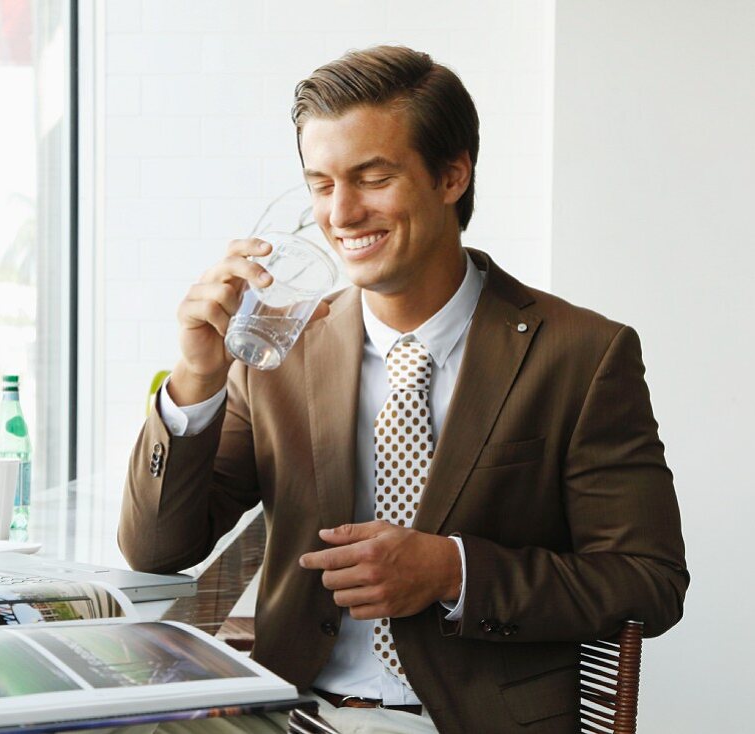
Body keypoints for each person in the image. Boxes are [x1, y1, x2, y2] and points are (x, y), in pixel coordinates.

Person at [120, 44, 688, 733]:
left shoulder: (582, 355)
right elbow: (156, 551)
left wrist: (454, 571)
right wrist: (198, 374)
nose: (343, 213)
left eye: (372, 177)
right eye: (321, 185)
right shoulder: (280, 351)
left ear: (452, 175)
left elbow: (647, 581)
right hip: (290, 711)